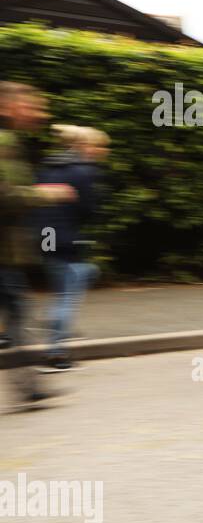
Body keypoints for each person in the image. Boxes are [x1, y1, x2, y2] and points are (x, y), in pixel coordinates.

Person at [0, 82, 77, 407]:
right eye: (31, 106)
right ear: (7, 107)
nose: (39, 114)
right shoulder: (4, 142)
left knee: (17, 312)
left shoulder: (11, 142)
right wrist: (46, 193)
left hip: (6, 253)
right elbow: (5, 196)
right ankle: (29, 386)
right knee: (17, 312)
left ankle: (29, 386)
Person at [36, 126, 108, 371]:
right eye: (98, 146)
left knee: (65, 287)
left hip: (46, 236)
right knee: (68, 292)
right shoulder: (83, 172)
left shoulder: (48, 167)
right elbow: (89, 210)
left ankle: (58, 324)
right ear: (83, 146)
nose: (101, 151)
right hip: (67, 237)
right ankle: (56, 352)